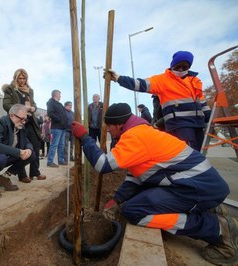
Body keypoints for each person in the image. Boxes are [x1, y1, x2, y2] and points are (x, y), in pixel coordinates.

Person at [71, 103, 237, 265]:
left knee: (135, 211)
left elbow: (102, 165)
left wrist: (85, 138)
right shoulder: (143, 131)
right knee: (136, 202)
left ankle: (217, 228)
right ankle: (210, 209)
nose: (107, 130)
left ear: (120, 125)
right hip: (202, 186)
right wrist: (117, 199)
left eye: (109, 126)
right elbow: (135, 177)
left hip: (196, 188)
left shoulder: (135, 137)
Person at [107, 51, 211, 151]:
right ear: (172, 66)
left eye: (184, 67)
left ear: (189, 67)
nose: (180, 69)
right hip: (179, 125)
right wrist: (119, 78)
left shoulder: (194, 81)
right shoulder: (163, 80)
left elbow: (202, 102)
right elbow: (140, 84)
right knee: (187, 153)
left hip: (198, 124)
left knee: (199, 151)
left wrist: (209, 118)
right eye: (177, 66)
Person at [2, 68, 46, 182]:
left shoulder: (30, 91)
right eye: (20, 78)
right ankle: (22, 175)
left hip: (30, 122)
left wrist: (33, 108)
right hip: (19, 122)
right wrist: (20, 108)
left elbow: (34, 104)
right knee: (21, 147)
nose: (22, 80)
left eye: (24, 78)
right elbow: (6, 105)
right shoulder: (10, 90)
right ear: (15, 78)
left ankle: (35, 172)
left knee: (35, 147)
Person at [46, 90, 68, 167]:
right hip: (56, 128)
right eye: (59, 94)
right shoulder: (51, 102)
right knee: (54, 145)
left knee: (61, 145)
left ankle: (61, 160)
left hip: (63, 127)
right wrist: (59, 119)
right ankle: (50, 161)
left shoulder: (60, 104)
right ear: (55, 94)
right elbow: (50, 113)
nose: (60, 96)